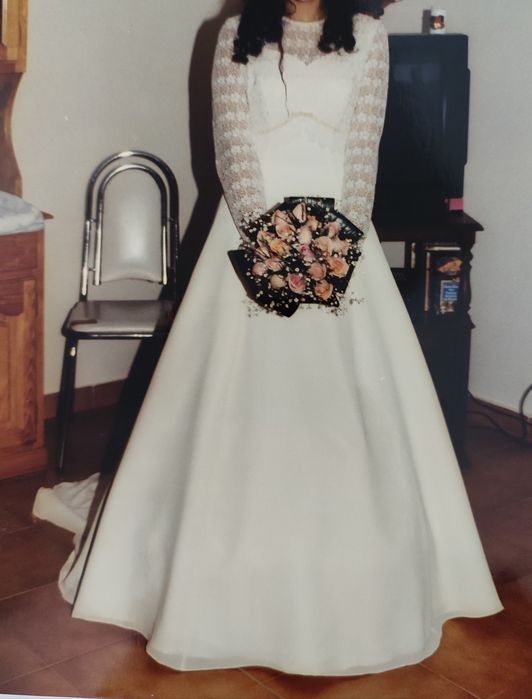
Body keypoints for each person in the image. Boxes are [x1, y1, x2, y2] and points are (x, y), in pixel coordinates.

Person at [34, 0, 502, 676]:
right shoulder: (233, 34)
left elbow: (362, 153)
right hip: (254, 236)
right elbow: (232, 151)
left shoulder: (368, 37)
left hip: (341, 237)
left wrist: (333, 251)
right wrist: (274, 252)